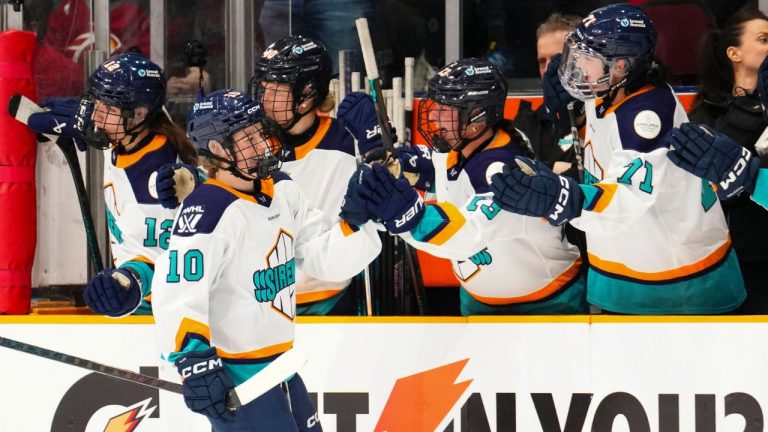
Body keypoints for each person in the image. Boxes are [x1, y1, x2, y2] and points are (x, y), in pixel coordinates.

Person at [489, 4, 745, 314]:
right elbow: (604, 150)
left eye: (588, 58)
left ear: (621, 66)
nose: (578, 65)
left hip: (677, 285)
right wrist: (571, 119)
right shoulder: (608, 91)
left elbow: (627, 200)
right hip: (619, 275)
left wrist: (561, 198)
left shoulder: (647, 115)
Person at [151, 89, 380, 430]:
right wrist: (193, 359)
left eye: (260, 133)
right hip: (239, 375)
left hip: (283, 367)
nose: (261, 144)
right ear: (217, 149)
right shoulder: (207, 209)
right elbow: (180, 292)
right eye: (247, 139)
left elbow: (322, 255)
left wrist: (358, 222)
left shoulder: (283, 189)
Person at [158, 35, 387, 315]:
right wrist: (196, 181)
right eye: (263, 86)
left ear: (307, 94)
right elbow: (233, 189)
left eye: (276, 89)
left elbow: (392, 199)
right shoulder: (251, 140)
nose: (264, 98)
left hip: (328, 302)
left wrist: (377, 148)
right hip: (258, 303)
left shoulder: (346, 138)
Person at [348, 58, 587, 316]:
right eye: (435, 106)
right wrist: (383, 156)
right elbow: (435, 168)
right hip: (478, 301)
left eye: (446, 109)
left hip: (547, 306)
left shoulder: (503, 170)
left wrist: (406, 215)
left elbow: (467, 234)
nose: (435, 117)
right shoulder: (461, 146)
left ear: (477, 118)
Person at [26, 52, 198, 317]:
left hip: (159, 311)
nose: (96, 116)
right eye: (97, 103)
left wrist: (127, 286)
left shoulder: (154, 180)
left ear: (139, 114)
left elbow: (161, 264)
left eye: (107, 109)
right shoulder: (133, 130)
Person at [683, 6, 768, 313]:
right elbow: (697, 190)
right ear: (734, 52)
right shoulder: (705, 113)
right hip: (727, 260)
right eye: (763, 39)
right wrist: (747, 110)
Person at [513, 13, 582, 180]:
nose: (548, 69)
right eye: (542, 61)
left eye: (557, 58)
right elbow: (513, 173)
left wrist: (540, 168)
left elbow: (593, 177)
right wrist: (556, 168)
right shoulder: (527, 122)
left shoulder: (601, 118)